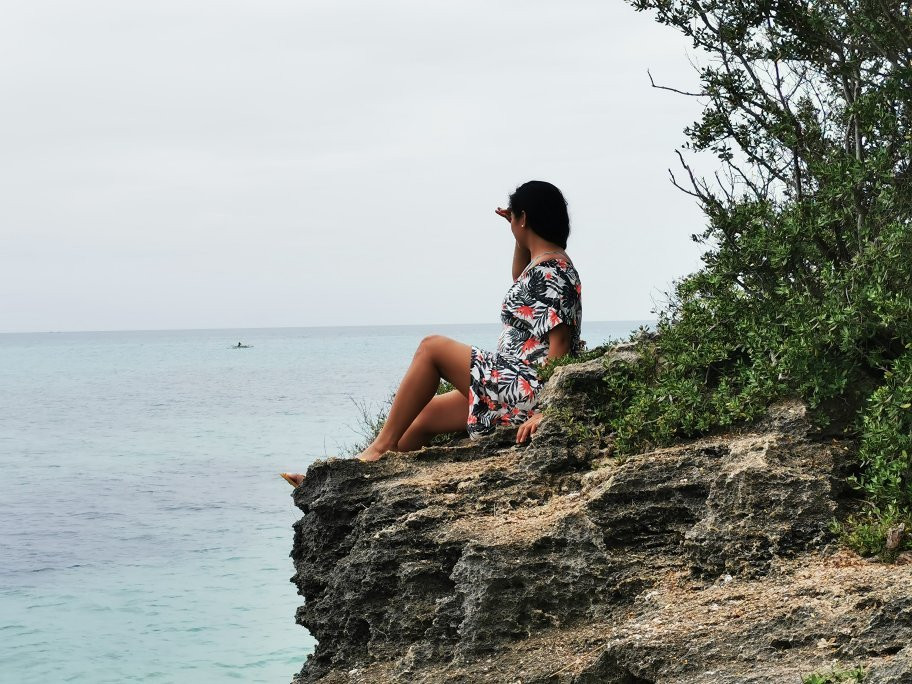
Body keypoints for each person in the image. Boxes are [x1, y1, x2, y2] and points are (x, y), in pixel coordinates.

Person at [280, 180, 582, 486]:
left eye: (515, 217)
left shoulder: (553, 271)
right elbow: (520, 277)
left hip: (528, 389)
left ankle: (377, 449)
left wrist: (545, 411)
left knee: (431, 348)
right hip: (513, 385)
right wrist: (519, 233)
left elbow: (561, 344)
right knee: (421, 418)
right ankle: (342, 481)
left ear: (525, 217)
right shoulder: (545, 266)